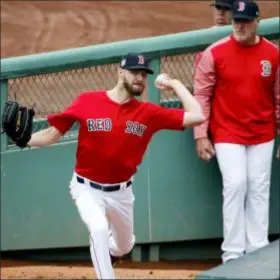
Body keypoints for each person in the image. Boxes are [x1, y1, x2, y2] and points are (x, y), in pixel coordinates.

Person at [26, 52, 205, 279]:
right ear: (120, 72)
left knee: (124, 246)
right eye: (134, 72)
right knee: (99, 229)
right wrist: (25, 140)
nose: (139, 78)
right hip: (86, 188)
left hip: (122, 193)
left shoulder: (148, 113)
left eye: (143, 74)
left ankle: (109, 253)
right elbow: (52, 134)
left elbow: (197, 115)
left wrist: (175, 84)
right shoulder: (87, 101)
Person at [193, 0, 279, 264]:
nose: (239, 26)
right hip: (227, 130)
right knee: (236, 184)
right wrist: (201, 135)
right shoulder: (215, 53)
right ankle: (232, 254)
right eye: (236, 21)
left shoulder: (274, 54)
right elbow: (202, 95)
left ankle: (257, 250)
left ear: (257, 22)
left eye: (245, 21)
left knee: (258, 187)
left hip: (263, 132)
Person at [194, 0, 234, 69]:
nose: (221, 13)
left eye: (226, 9)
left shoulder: (242, 38)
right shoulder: (205, 37)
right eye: (218, 8)